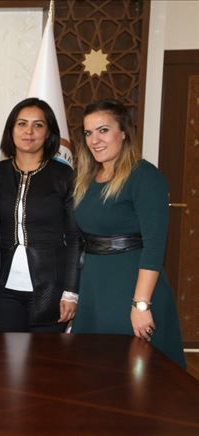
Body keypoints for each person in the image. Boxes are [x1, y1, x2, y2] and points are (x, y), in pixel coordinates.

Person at [73, 99, 186, 368]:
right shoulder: (86, 178)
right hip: (94, 287)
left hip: (130, 287)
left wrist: (141, 305)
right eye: (88, 133)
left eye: (103, 130)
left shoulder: (145, 177)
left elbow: (154, 246)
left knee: (134, 372)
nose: (94, 140)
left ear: (123, 132)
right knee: (94, 370)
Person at [0, 98, 82, 333]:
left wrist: (71, 292)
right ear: (11, 130)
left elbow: (75, 238)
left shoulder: (64, 176)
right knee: (5, 356)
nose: (29, 131)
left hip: (51, 289)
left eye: (38, 125)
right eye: (22, 124)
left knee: (46, 357)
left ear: (48, 133)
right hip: (2, 290)